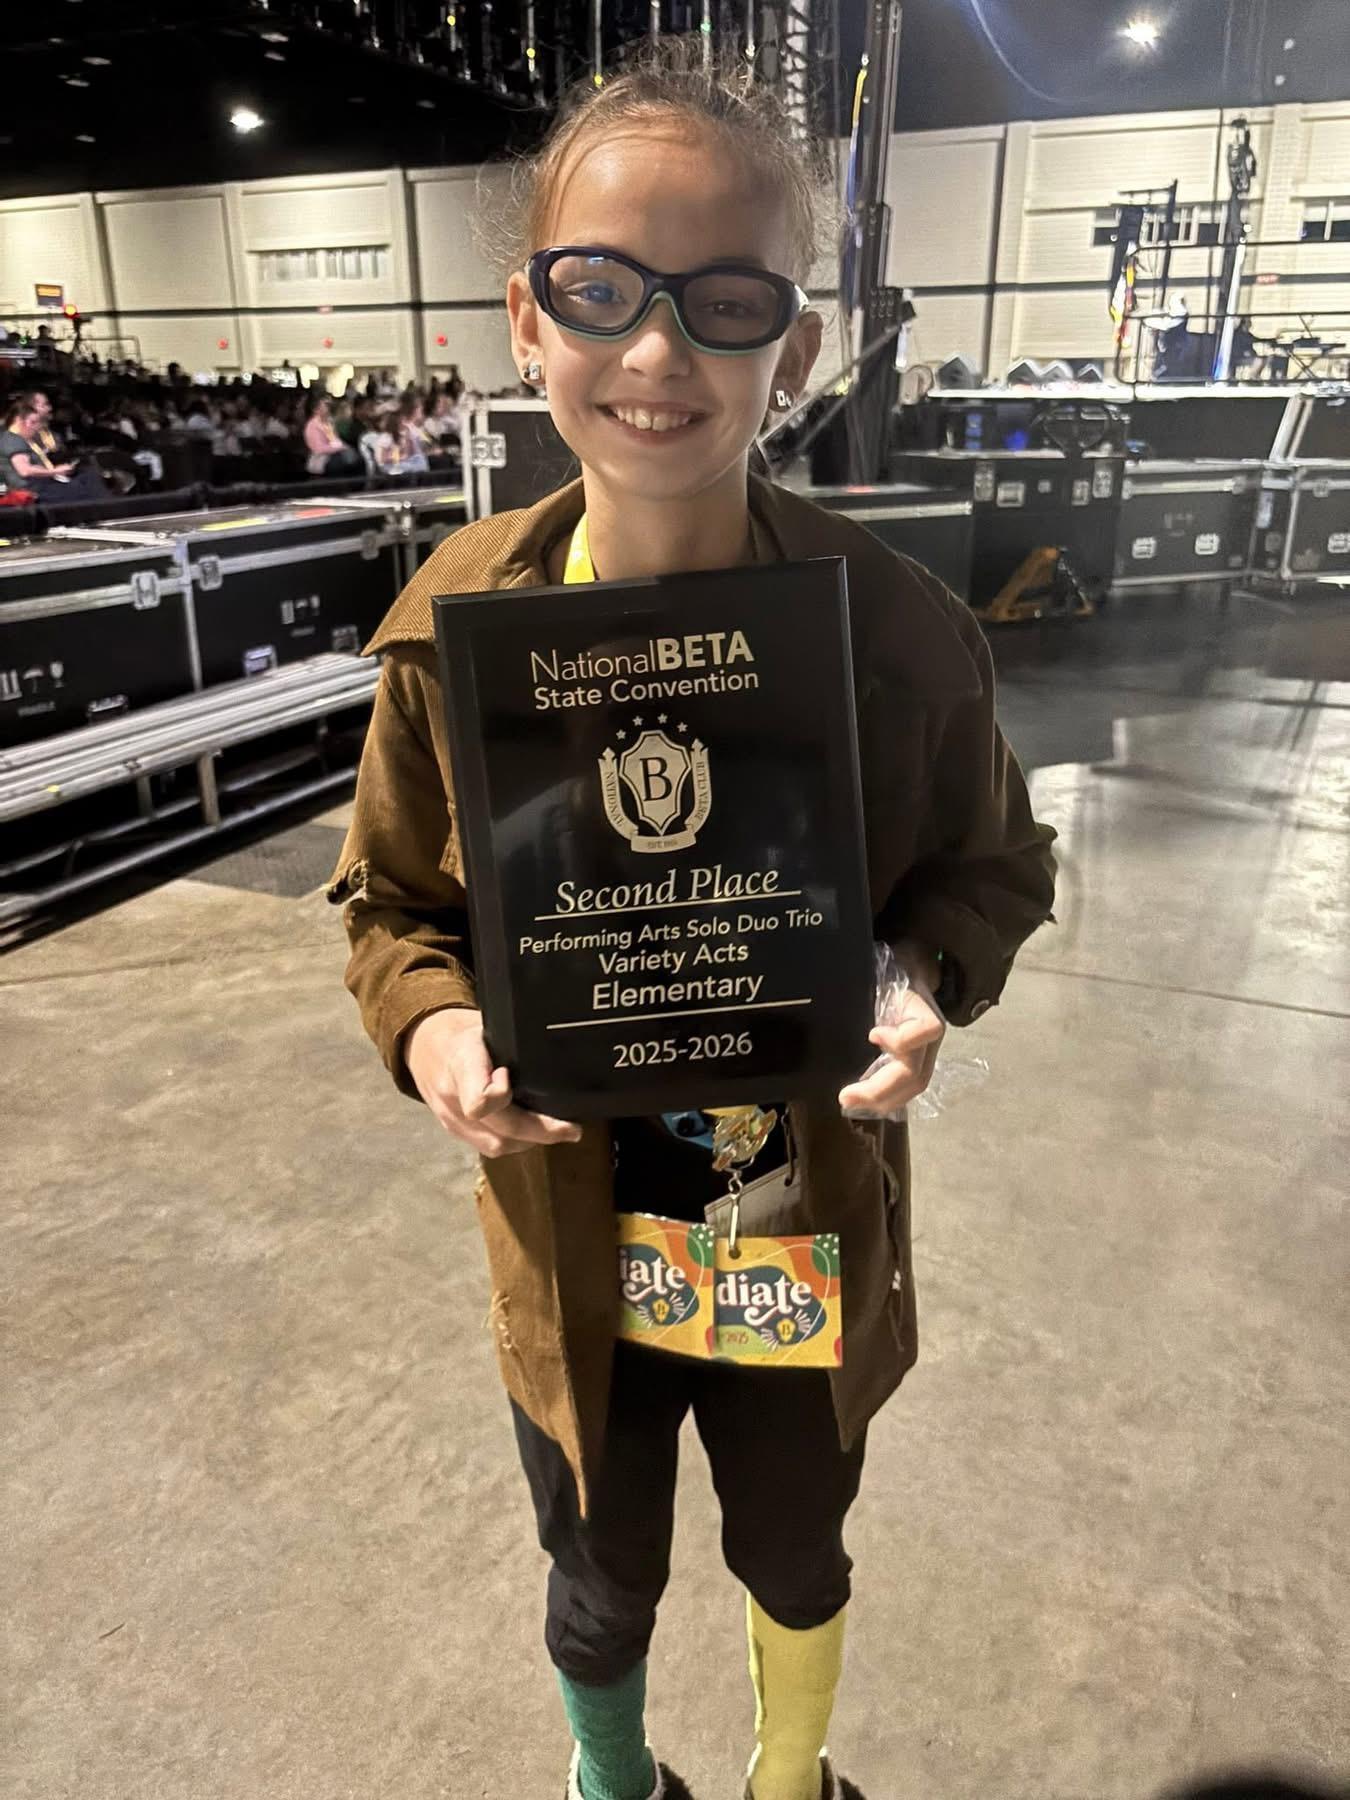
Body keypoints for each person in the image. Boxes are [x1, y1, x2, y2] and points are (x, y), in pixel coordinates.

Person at [331, 40, 1056, 1800]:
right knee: (599, 1577)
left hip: (796, 1232)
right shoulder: (451, 629)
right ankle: (612, 1785)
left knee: (796, 1554)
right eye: (602, 291)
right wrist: (435, 1027)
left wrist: (916, 974)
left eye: (725, 303)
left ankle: (787, 1782)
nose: (657, 354)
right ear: (528, 321)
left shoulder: (895, 637)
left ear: (790, 352)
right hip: (574, 1239)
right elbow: (392, 902)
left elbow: (992, 867)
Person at [0, 397, 108, 500]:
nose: (36, 427)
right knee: (83, 487)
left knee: (87, 476)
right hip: (34, 490)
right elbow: (24, 470)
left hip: (42, 485)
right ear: (18, 420)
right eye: (33, 422)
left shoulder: (19, 440)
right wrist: (55, 471)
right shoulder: (12, 440)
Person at [302, 393, 362, 477]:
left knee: (355, 458)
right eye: (326, 405)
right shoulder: (312, 426)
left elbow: (334, 440)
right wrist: (340, 448)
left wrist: (344, 447)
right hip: (321, 460)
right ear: (316, 409)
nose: (329, 407)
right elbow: (319, 449)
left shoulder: (327, 423)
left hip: (334, 455)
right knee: (340, 462)